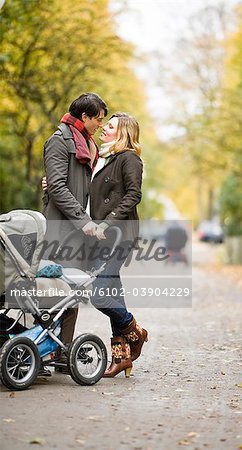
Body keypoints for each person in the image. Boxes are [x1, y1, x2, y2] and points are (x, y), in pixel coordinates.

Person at [42, 93, 108, 372]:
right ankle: (43, 352)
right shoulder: (59, 142)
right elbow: (57, 187)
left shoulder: (87, 143)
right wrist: (84, 221)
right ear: (85, 117)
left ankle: (60, 353)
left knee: (72, 293)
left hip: (79, 231)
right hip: (62, 230)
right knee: (53, 292)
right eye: (98, 119)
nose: (100, 125)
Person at [89, 112, 148, 378]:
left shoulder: (129, 159)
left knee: (99, 295)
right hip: (101, 236)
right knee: (112, 292)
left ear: (122, 132)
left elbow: (134, 194)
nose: (104, 128)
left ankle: (135, 331)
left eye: (110, 126)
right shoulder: (107, 158)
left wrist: (108, 222)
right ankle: (121, 358)